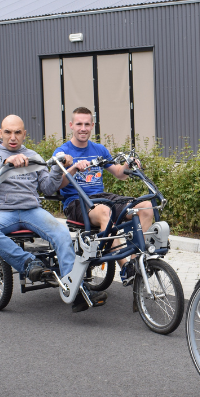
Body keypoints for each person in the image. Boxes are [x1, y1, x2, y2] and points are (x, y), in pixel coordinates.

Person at [0, 114, 107, 312]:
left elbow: (47, 188)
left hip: (32, 210)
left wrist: (56, 168)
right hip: (3, 211)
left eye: (18, 132)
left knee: (62, 233)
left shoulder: (33, 156)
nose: (13, 137)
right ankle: (28, 263)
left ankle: (76, 291)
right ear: (0, 133)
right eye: (8, 132)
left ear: (24, 134)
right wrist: (6, 164)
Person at [53, 107, 154, 286]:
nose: (83, 128)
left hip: (102, 197)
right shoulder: (62, 152)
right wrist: (74, 168)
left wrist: (128, 166)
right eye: (79, 124)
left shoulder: (99, 149)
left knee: (145, 206)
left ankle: (134, 263)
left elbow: (119, 173)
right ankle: (125, 268)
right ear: (71, 125)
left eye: (86, 124)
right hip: (77, 201)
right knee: (105, 211)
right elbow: (56, 184)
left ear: (92, 125)